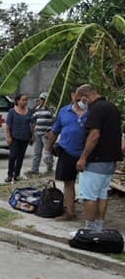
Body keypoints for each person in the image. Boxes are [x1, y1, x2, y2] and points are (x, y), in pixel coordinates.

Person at [74, 84, 123, 232]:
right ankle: (99, 226)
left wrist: (83, 158)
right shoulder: (112, 107)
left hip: (95, 160)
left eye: (80, 100)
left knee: (90, 196)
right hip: (110, 160)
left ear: (85, 97)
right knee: (102, 194)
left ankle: (89, 228)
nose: (81, 103)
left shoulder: (96, 110)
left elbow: (94, 135)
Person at [45, 89, 88, 220]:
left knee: (89, 186)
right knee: (68, 183)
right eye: (78, 94)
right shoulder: (64, 111)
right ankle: (70, 212)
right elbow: (54, 131)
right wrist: (47, 150)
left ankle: (91, 217)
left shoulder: (92, 112)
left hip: (88, 154)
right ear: (72, 95)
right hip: (67, 152)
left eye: (83, 95)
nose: (80, 98)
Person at [4, 93, 33, 182]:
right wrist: (8, 136)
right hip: (15, 137)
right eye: (23, 100)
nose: (25, 102)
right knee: (13, 156)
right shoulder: (12, 111)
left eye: (26, 100)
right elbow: (8, 125)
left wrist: (32, 135)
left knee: (20, 157)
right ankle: (10, 175)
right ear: (18, 101)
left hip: (25, 137)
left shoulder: (29, 111)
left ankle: (17, 175)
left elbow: (32, 124)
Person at [28, 92, 55, 177]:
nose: (42, 101)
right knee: (37, 153)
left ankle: (49, 169)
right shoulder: (37, 109)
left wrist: (50, 132)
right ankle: (34, 170)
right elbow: (32, 121)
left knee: (48, 152)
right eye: (41, 99)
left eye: (44, 99)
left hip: (46, 134)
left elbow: (55, 121)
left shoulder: (51, 109)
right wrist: (32, 134)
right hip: (38, 133)